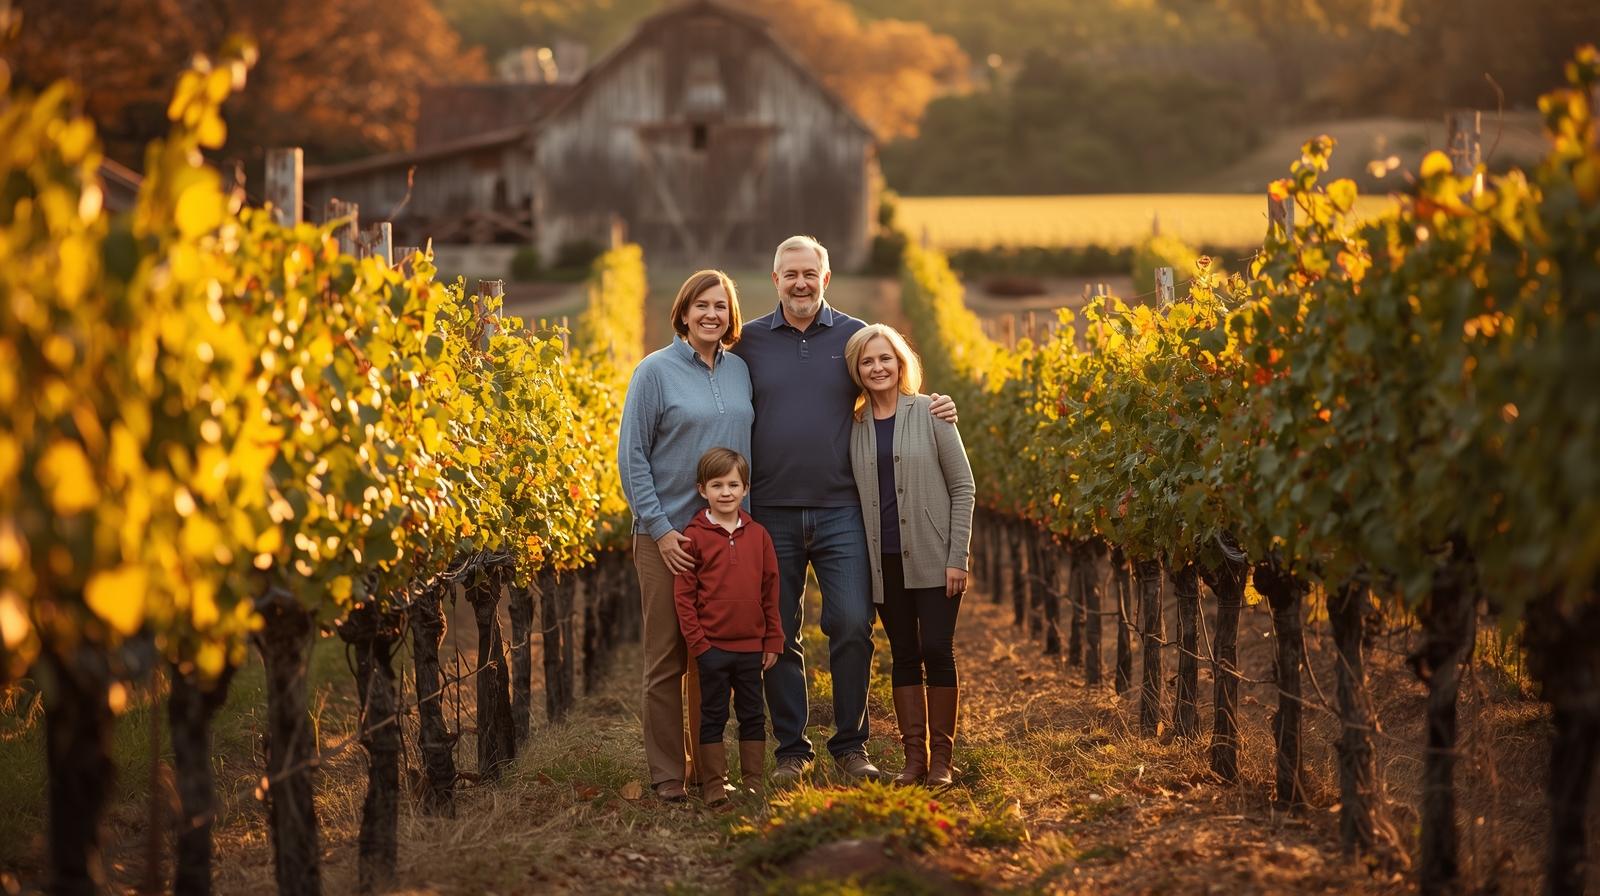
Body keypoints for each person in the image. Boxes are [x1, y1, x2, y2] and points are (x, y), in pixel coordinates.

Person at [732, 236, 956, 784]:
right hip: (771, 511)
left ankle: (852, 747)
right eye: (790, 274)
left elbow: (891, 388)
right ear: (776, 279)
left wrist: (934, 406)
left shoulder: (855, 337)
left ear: (826, 278)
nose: (801, 283)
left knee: (854, 624)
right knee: (779, 633)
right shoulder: (750, 342)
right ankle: (792, 749)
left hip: (844, 512)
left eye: (810, 272)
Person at [618, 270, 753, 802]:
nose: (711, 315)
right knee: (666, 657)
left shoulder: (742, 371)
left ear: (730, 315)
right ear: (684, 311)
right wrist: (661, 531)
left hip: (726, 539)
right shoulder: (653, 372)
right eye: (702, 305)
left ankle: (708, 771)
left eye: (721, 306)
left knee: (712, 657)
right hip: (667, 539)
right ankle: (667, 775)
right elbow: (632, 459)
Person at [845, 323, 974, 786]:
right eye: (867, 361)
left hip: (936, 556)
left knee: (937, 648)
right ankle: (914, 759)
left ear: (901, 364)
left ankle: (942, 760)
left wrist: (957, 555)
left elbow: (963, 487)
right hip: (885, 561)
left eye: (886, 358)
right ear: (856, 370)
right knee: (903, 653)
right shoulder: (854, 425)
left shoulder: (931, 412)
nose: (877, 367)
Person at [673, 447, 782, 806]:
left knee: (752, 714)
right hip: (713, 649)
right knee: (714, 715)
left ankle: (753, 782)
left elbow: (770, 591)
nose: (726, 492)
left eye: (733, 484)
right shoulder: (694, 536)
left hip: (752, 647)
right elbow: (684, 596)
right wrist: (699, 644)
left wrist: (772, 639)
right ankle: (715, 785)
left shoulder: (759, 535)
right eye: (716, 485)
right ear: (702, 489)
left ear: (745, 489)